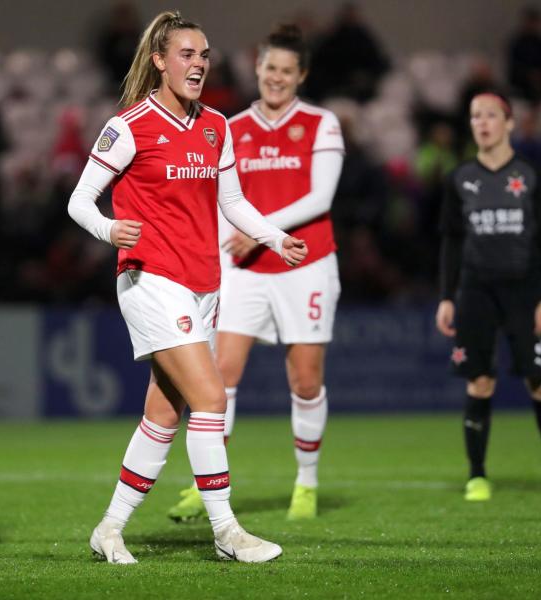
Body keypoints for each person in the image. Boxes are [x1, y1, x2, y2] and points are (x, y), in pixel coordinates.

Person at [68, 10, 307, 564]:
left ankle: (109, 528)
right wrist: (109, 229)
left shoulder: (215, 126)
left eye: (203, 55)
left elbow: (232, 202)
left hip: (204, 283)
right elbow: (80, 199)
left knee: (166, 414)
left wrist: (273, 237)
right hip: (150, 279)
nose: (198, 64)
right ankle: (226, 532)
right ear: (159, 61)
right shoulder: (129, 127)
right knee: (211, 397)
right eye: (186, 54)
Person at [166, 24, 344, 523]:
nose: (277, 78)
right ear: (258, 69)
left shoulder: (321, 124)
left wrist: (262, 231)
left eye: (288, 71)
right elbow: (218, 200)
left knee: (305, 380)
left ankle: (306, 483)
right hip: (243, 268)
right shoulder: (230, 127)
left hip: (305, 264)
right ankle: (208, 487)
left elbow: (320, 199)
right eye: (270, 68)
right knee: (219, 378)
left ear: (300, 75)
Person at [435, 91, 541, 502]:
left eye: (490, 115)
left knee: (540, 380)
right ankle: (478, 475)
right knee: (479, 382)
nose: (481, 122)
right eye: (474, 116)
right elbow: (451, 242)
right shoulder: (460, 178)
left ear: (509, 123)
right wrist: (447, 296)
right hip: (476, 291)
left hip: (524, 290)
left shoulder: (531, 176)